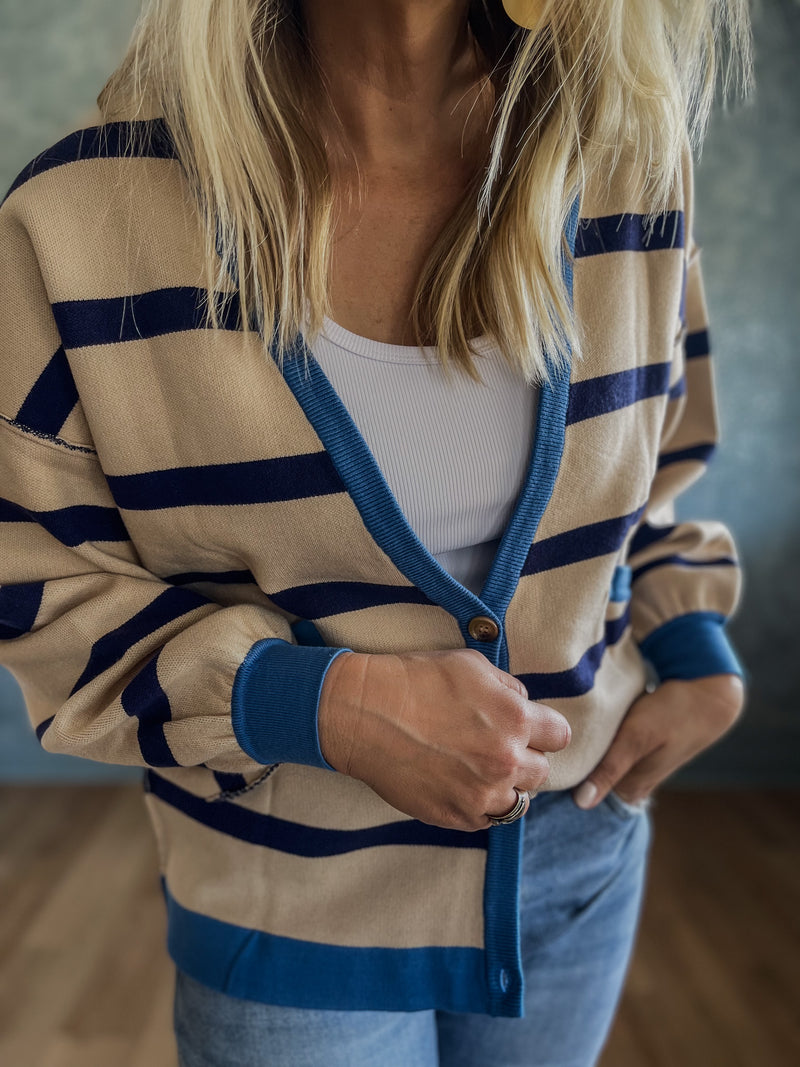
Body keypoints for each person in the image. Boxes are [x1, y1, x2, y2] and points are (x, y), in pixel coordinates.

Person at [0, 0, 753, 1064]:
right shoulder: (77, 221)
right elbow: (36, 582)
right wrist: (325, 705)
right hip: (294, 905)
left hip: (577, 854)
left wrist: (692, 646)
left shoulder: (630, 152)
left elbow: (655, 468)